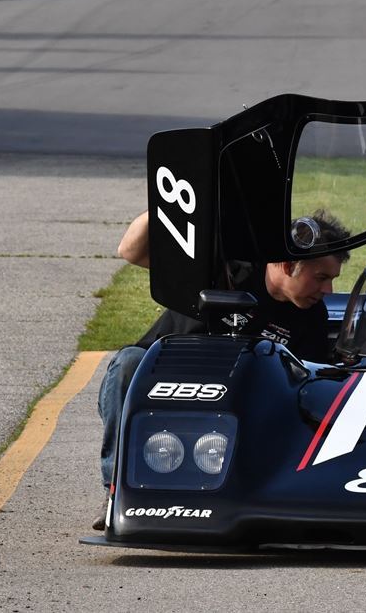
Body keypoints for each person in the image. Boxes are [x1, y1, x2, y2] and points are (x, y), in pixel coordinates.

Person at [93, 209, 350, 529]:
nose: (327, 291)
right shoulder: (224, 268)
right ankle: (116, 492)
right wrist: (170, 202)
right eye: (321, 278)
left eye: (332, 280)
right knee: (129, 363)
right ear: (286, 265)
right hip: (167, 382)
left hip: (232, 410)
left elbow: (307, 388)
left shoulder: (311, 317)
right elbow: (130, 251)